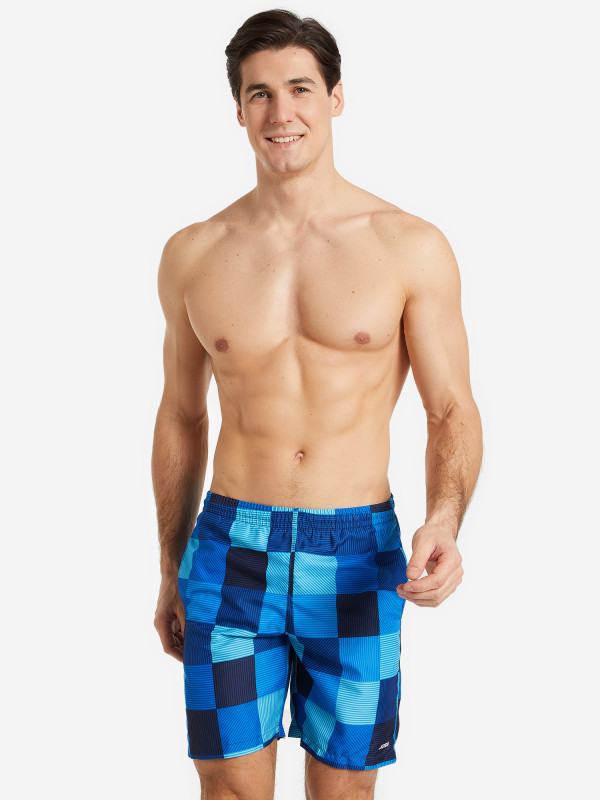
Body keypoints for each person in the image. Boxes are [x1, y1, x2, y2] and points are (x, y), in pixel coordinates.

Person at [152, 8, 483, 800]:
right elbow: (181, 416)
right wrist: (170, 567)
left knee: (344, 793)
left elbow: (451, 411)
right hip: (231, 549)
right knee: (229, 791)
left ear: (336, 97)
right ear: (238, 109)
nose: (281, 112)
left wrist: (443, 519)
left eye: (300, 88)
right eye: (259, 93)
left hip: (358, 553)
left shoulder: (409, 245)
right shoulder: (194, 253)